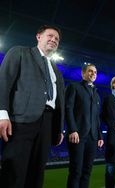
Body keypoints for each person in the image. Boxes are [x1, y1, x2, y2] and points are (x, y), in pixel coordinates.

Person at [0, 25, 65, 188]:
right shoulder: (20, 52)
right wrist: (2, 114)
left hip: (48, 124)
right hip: (21, 120)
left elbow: (59, 102)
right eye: (50, 36)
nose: (54, 40)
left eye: (57, 39)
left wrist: (58, 128)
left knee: (37, 173)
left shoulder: (56, 71)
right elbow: (4, 82)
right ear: (38, 36)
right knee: (14, 171)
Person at [65, 63, 104, 188]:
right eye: (90, 71)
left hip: (92, 137)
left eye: (95, 72)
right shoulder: (74, 87)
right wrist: (72, 130)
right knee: (76, 171)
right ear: (83, 73)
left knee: (87, 172)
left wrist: (99, 136)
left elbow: (96, 117)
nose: (93, 74)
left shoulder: (97, 94)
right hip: (78, 135)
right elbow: (68, 108)